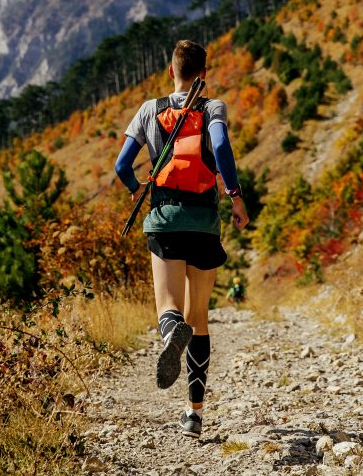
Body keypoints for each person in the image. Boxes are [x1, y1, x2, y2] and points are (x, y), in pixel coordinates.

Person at [114, 39, 249, 438]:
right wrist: (235, 198)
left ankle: (172, 331)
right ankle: (194, 413)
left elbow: (122, 164)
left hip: (164, 219)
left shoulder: (149, 110)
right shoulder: (213, 107)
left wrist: (135, 187)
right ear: (203, 74)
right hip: (204, 222)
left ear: (170, 71)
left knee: (169, 309)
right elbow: (221, 147)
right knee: (199, 317)